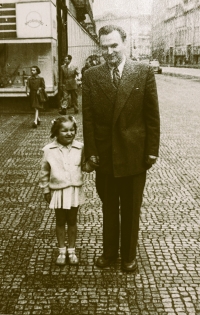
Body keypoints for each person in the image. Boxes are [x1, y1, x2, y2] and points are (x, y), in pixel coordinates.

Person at [82, 25, 160, 272]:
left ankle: (128, 256)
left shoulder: (143, 72)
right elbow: (89, 117)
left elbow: (151, 115)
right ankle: (108, 253)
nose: (109, 51)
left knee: (131, 207)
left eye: (114, 45)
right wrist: (91, 151)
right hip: (105, 155)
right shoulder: (92, 75)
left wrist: (151, 150)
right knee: (108, 206)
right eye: (104, 46)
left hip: (134, 155)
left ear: (125, 42)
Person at [39, 116, 93, 265]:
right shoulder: (49, 150)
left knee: (72, 221)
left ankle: (72, 250)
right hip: (58, 191)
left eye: (72, 130)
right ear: (56, 132)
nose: (69, 133)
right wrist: (45, 190)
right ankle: (62, 251)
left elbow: (84, 166)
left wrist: (93, 164)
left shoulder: (80, 147)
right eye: (65, 130)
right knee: (60, 221)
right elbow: (44, 172)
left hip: (74, 190)